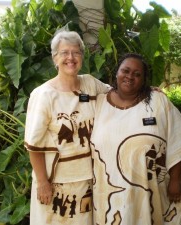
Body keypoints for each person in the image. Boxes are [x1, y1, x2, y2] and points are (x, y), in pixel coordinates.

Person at [90, 53, 181, 225]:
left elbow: (177, 140)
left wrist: (175, 180)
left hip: (149, 190)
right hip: (109, 191)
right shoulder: (98, 102)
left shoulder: (158, 102)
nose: (130, 76)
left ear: (144, 79)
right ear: (117, 72)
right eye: (125, 70)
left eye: (137, 74)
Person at [24, 30, 109, 225]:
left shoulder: (90, 85)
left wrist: (147, 92)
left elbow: (117, 96)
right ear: (55, 58)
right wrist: (43, 182)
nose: (71, 57)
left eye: (76, 52)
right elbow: (33, 145)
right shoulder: (43, 95)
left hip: (87, 179)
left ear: (82, 56)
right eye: (64, 53)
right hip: (55, 184)